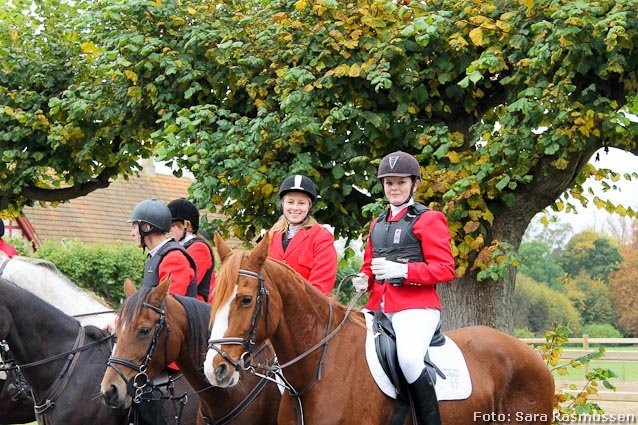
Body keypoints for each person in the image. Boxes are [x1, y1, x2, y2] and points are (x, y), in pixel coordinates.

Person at [352, 151, 455, 425]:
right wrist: (364, 279)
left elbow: (445, 269)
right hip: (377, 307)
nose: (394, 188)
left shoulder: (429, 219)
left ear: (414, 184)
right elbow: (369, 265)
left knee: (409, 359)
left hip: (416, 308)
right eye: (389, 183)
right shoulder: (377, 223)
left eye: (401, 182)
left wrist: (405, 271)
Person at [268, 174, 338, 295]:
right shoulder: (272, 235)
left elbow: (321, 286)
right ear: (282, 204)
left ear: (309, 206)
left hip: (305, 304)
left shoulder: (322, 236)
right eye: (290, 202)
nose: (295, 208)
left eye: (301, 203)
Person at [128, 199, 197, 297]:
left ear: (146, 227)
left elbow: (168, 302)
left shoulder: (174, 258)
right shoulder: (155, 256)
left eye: (134, 227)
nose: (132, 233)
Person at [167, 198, 215, 303]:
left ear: (186, 225)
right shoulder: (177, 246)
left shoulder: (199, 248)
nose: (168, 230)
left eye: (172, 225)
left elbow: (186, 283)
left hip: (192, 306)